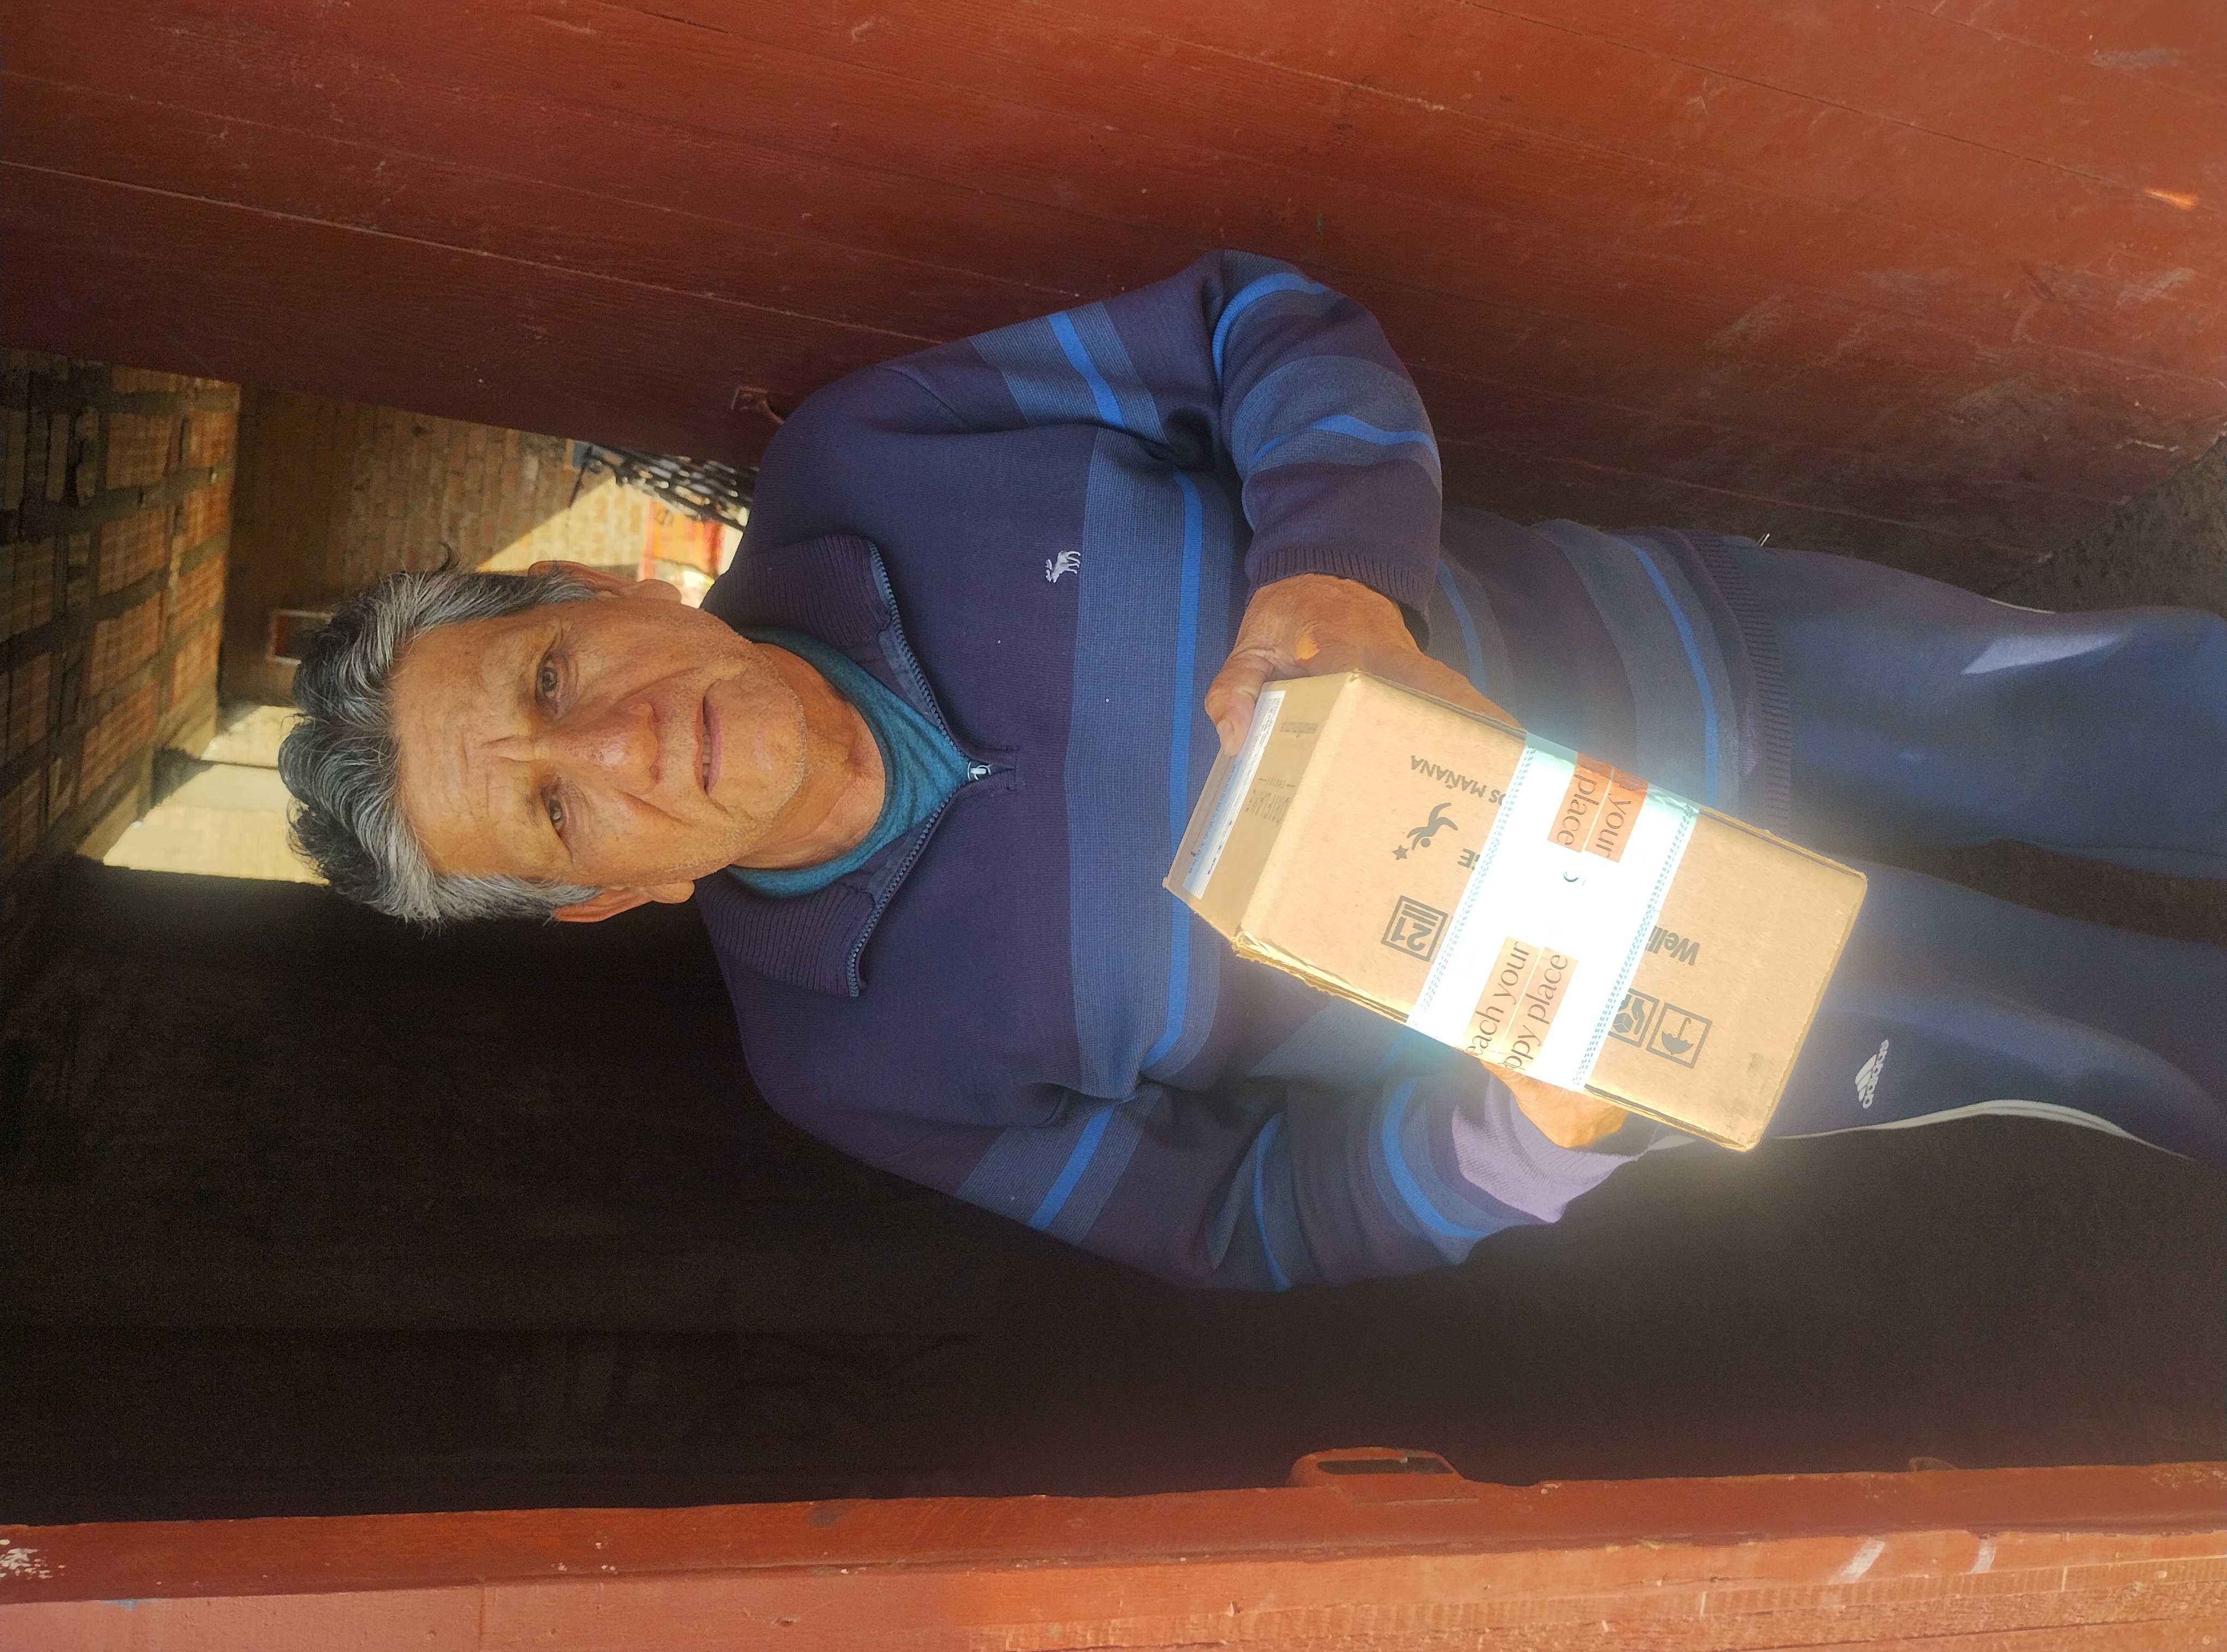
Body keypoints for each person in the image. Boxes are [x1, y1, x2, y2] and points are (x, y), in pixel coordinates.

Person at [279, 253, 2227, 1289]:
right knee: (2107, 1047)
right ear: (608, 896)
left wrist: (1337, 577)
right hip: (1664, 990)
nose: (618, 741)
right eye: (556, 807)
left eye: (551, 674)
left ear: (600, 586)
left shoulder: (873, 456)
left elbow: (1257, 323)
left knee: (2110, 710)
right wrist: (1528, 1138)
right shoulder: (845, 1060)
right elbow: (1249, 1221)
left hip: (1713, 660)